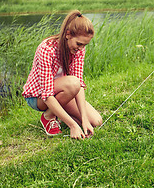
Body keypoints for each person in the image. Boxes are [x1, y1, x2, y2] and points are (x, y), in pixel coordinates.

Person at [22, 10, 102, 140]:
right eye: (79, 44)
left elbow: (79, 86)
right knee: (72, 83)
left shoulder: (78, 50)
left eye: (85, 45)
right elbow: (47, 94)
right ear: (68, 34)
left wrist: (84, 119)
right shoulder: (46, 49)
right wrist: (72, 125)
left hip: (63, 92)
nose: (81, 49)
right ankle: (48, 117)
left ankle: (61, 116)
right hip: (37, 97)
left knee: (96, 121)